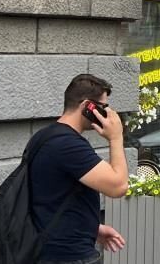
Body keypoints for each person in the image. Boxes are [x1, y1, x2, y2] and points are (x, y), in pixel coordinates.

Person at [29, 73, 128, 264]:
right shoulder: (67, 145)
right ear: (87, 107)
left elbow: (51, 197)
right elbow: (118, 186)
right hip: (68, 256)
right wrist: (116, 137)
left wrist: (93, 227)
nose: (107, 113)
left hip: (52, 250)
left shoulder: (45, 136)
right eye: (103, 107)